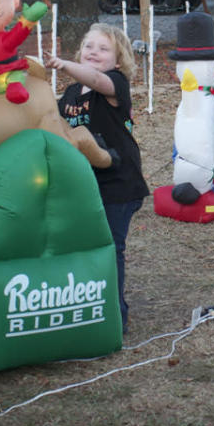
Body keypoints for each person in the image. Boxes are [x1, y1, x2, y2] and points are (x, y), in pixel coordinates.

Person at [46, 24, 149, 334]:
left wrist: (65, 65)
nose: (93, 52)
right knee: (84, 245)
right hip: (85, 183)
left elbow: (96, 80)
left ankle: (116, 317)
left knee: (110, 247)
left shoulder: (116, 84)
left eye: (103, 49)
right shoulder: (71, 93)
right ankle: (86, 306)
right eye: (89, 46)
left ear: (118, 61)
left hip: (120, 183)